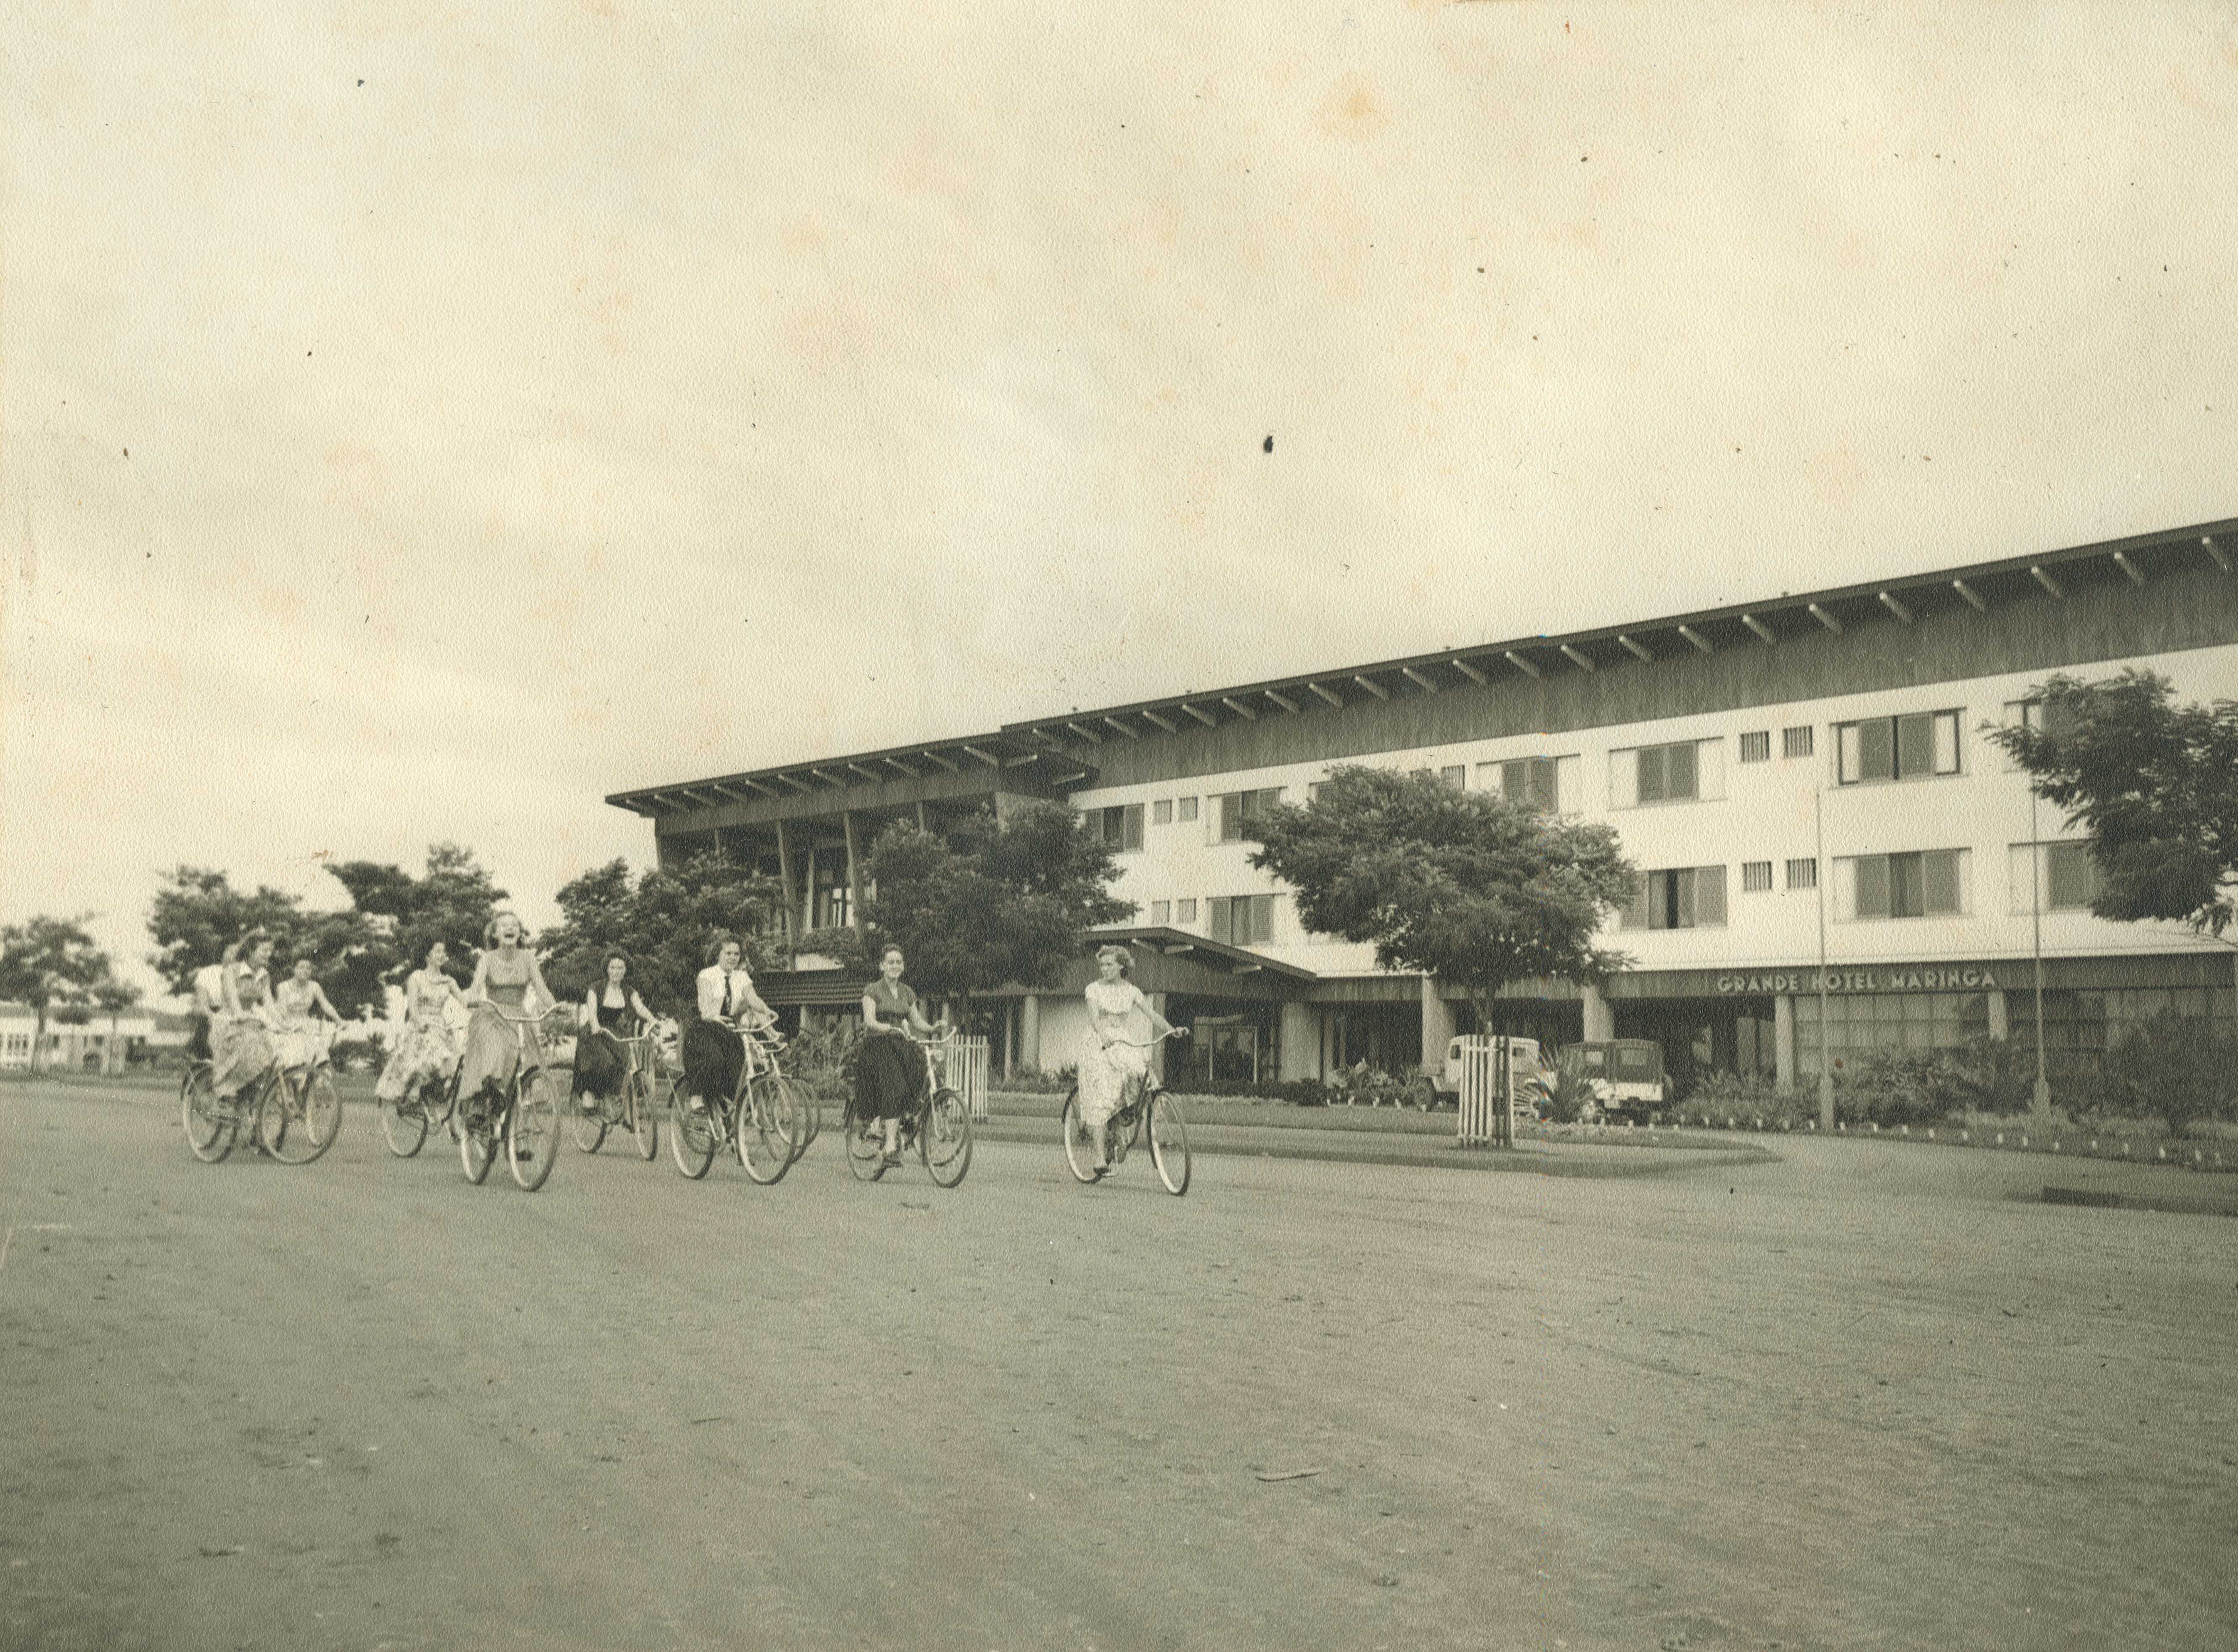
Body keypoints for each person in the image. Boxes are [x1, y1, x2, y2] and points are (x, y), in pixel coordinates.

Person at [1077, 944, 1175, 1175]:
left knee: (1141, 1078)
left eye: (1110, 964)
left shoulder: (1131, 991)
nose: (1105, 969)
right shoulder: (1093, 989)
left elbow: (1152, 1015)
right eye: (1102, 965)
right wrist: (1104, 1036)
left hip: (1122, 1040)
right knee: (1101, 1094)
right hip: (1100, 1042)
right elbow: (1094, 1019)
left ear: (1122, 965)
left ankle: (1123, 1127)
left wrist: (1172, 1029)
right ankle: (1100, 1157)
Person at [458, 911, 557, 1117]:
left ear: (519, 933)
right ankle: (484, 1097)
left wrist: (555, 1006)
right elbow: (476, 989)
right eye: (504, 926)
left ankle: (516, 1118)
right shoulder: (487, 958)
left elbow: (542, 989)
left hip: (519, 1016)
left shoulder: (529, 958)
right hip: (491, 1014)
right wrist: (471, 999)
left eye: (514, 925)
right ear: (495, 933)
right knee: (495, 1048)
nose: (510, 928)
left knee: (529, 1058)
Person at [854, 943, 939, 1168]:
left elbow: (916, 1020)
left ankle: (908, 1117)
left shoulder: (907, 992)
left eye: (899, 962)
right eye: (890, 962)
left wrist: (932, 1028)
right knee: (895, 1085)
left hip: (899, 1042)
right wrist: (888, 1028)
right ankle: (891, 1146)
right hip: (878, 1045)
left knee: (922, 1068)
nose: (895, 966)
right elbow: (869, 1021)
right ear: (882, 966)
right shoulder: (872, 990)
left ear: (903, 966)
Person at [682, 932, 775, 1115]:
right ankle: (698, 1099)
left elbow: (753, 998)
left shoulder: (742, 977)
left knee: (740, 1067)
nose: (733, 958)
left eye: (737, 954)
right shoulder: (707, 975)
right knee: (714, 1059)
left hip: (728, 1031)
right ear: (719, 954)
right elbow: (705, 1008)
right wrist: (715, 1017)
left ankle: (729, 1108)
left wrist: (766, 1010)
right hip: (706, 1029)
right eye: (728, 953)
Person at [374, 940, 468, 1106]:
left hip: (441, 1026)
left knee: (455, 1059)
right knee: (431, 1050)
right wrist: (420, 1022)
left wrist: (481, 1006)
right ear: (427, 956)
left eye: (443, 951)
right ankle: (416, 1087)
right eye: (436, 951)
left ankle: (439, 1092)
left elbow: (464, 1001)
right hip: (421, 1025)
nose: (441, 955)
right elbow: (413, 1007)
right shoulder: (417, 977)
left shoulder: (448, 981)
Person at [573, 950, 658, 1113]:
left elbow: (640, 1007)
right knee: (603, 1060)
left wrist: (652, 1019)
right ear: (607, 969)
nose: (616, 972)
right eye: (613, 967)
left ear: (625, 971)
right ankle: (589, 1094)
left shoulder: (629, 991)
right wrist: (596, 1025)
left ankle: (618, 1099)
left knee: (626, 1059)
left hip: (613, 1031)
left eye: (620, 968)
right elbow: (592, 1011)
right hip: (594, 1031)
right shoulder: (596, 988)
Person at [211, 932, 278, 1102]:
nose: (269, 954)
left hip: (250, 1024)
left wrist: (285, 1024)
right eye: (264, 950)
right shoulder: (231, 972)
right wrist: (242, 1015)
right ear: (251, 951)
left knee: (272, 1053)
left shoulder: (264, 975)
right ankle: (227, 1094)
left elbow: (270, 1005)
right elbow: (234, 1003)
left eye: (270, 950)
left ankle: (253, 1099)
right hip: (229, 1023)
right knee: (248, 1051)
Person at [271, 954, 344, 1071]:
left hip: (306, 1024)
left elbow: (325, 1005)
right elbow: (281, 1010)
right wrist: (291, 1026)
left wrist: (339, 1020)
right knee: (295, 1053)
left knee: (318, 1051)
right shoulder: (283, 987)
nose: (305, 971)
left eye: (308, 968)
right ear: (294, 969)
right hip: (287, 1025)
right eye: (301, 968)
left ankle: (310, 1081)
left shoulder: (314, 986)